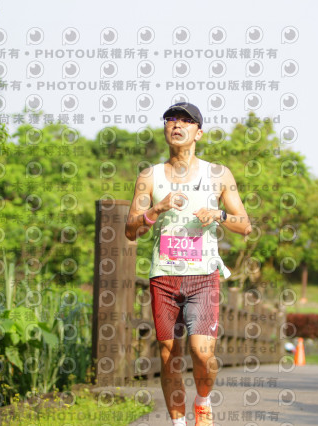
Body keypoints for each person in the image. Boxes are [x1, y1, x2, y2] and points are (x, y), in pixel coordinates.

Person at [125, 102, 252, 426]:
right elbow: (131, 230)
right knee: (169, 355)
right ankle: (178, 423)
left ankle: (203, 401)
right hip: (164, 277)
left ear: (199, 132)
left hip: (203, 277)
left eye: (186, 120)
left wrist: (219, 215)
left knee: (203, 353)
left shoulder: (218, 174)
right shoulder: (149, 176)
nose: (177, 125)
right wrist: (156, 210)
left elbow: (244, 225)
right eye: (171, 119)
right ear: (165, 128)